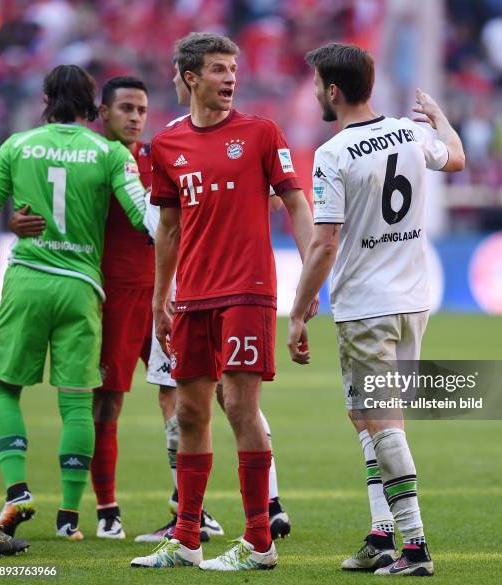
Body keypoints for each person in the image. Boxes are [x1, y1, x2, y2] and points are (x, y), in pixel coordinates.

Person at [10, 75, 224, 543]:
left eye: (142, 110)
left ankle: (190, 508)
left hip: (165, 293)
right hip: (113, 297)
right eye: (125, 108)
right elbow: (49, 204)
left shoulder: (160, 155)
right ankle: (107, 510)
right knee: (107, 401)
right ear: (102, 113)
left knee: (179, 397)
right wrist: (18, 220)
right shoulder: (94, 158)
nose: (135, 118)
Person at [130, 32, 315, 571]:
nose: (230, 78)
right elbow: (167, 227)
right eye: (217, 69)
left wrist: (309, 284)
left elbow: (297, 207)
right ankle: (187, 538)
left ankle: (259, 541)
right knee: (189, 413)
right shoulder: (166, 146)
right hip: (190, 297)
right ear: (191, 77)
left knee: (239, 406)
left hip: (247, 289)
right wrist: (161, 297)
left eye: (233, 68)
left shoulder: (260, 134)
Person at [287, 43, 465, 576]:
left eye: (318, 84)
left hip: (366, 306)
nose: (316, 92)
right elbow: (454, 157)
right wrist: (443, 119)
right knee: (367, 419)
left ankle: (414, 546)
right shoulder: (412, 134)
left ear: (333, 90)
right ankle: (382, 535)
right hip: (413, 300)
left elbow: (324, 242)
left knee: (381, 423)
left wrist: (297, 311)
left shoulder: (333, 153)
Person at [0, 64, 148, 541]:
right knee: (78, 402)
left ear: (45, 98)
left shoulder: (16, 145)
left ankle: (17, 489)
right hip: (82, 287)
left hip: (29, 278)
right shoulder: (108, 152)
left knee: (3, 387)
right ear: (91, 108)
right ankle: (68, 518)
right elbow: (143, 217)